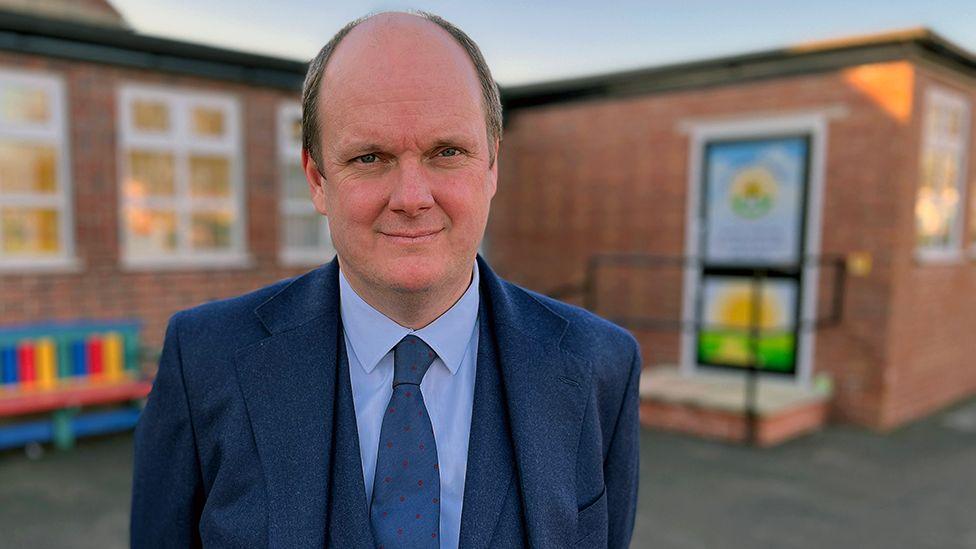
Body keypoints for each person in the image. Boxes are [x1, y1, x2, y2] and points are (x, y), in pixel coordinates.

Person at [131, 11, 640, 549]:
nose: (412, 198)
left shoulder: (601, 367)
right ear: (318, 181)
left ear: (492, 165)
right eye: (369, 157)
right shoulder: (204, 361)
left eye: (447, 152)